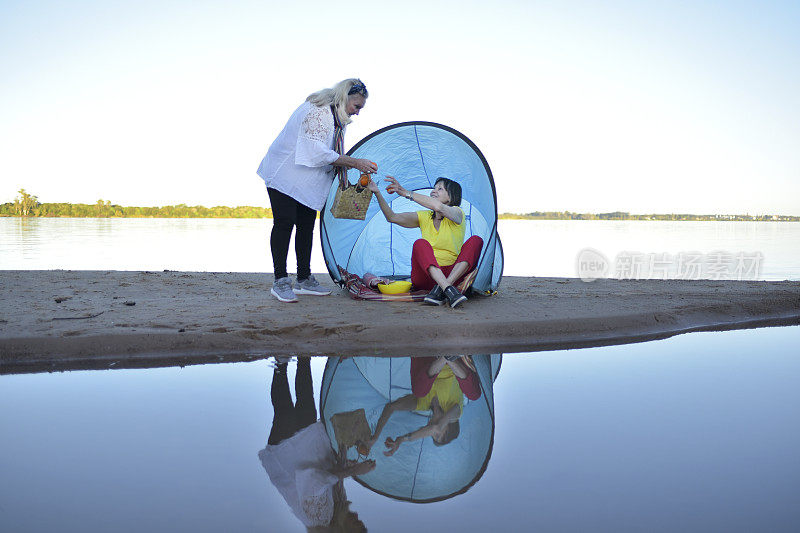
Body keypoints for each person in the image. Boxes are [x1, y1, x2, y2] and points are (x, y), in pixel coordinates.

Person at [257, 78, 377, 303]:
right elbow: (316, 152)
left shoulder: (335, 118)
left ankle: (303, 279)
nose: (358, 112)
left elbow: (325, 154)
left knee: (306, 224)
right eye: (357, 106)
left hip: (305, 181)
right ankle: (280, 281)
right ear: (345, 98)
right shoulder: (319, 112)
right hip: (284, 174)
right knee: (285, 222)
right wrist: (354, 162)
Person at [258, 357, 374, 531]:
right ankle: (303, 355)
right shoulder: (338, 507)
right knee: (305, 398)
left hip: (288, 451)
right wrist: (344, 462)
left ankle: (281, 361)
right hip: (309, 446)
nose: (357, 517)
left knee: (284, 407)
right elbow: (329, 474)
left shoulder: (319, 519)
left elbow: (312, 481)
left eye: (356, 524)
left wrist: (352, 471)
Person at [367, 175, 483, 308]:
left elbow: (439, 207)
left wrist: (406, 193)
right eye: (434, 188)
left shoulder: (458, 213)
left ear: (450, 197)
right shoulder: (425, 217)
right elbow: (392, 217)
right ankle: (448, 289)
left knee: (476, 240)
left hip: (453, 274)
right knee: (420, 244)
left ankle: (443, 288)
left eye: (440, 189)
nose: (433, 191)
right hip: (426, 277)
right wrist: (377, 193)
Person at [361, 356, 481, 456]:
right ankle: (449, 357)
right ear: (449, 428)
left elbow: (391, 407)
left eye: (433, 436)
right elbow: (438, 426)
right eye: (438, 435)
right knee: (474, 395)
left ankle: (445, 356)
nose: (433, 432)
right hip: (455, 362)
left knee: (419, 391)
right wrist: (405, 438)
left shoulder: (423, 403)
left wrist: (376, 436)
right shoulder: (455, 412)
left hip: (428, 358)